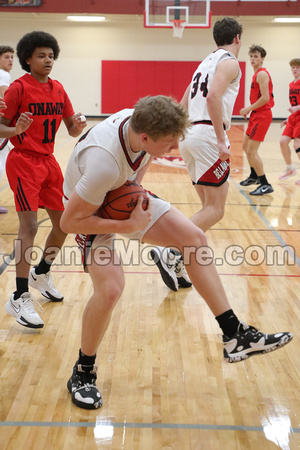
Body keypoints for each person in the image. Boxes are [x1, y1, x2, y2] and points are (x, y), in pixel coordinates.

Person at [60, 94, 292, 410]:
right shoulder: (104, 163)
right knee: (111, 290)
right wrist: (131, 225)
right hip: (87, 212)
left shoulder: (140, 122)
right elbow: (70, 221)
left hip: (119, 192)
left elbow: (141, 160)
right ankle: (82, 372)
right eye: (169, 144)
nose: (173, 150)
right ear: (145, 137)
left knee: (195, 239)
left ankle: (235, 334)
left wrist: (135, 192)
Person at [0, 31, 86, 329]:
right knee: (30, 226)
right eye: (41, 55)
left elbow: (72, 130)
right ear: (28, 59)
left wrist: (78, 126)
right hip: (23, 162)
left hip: (49, 163)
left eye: (51, 55)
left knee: (65, 223)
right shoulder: (17, 89)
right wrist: (15, 129)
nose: (48, 60)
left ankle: (41, 272)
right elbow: (0, 128)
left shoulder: (58, 89)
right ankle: (20, 295)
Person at [150, 17, 242, 291]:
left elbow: (183, 103)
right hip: (207, 138)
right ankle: (173, 252)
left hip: (191, 136)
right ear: (237, 37)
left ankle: (178, 260)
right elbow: (213, 97)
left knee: (207, 208)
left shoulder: (204, 64)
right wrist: (220, 139)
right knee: (216, 210)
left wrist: (176, 137)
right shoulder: (230, 63)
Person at [239, 45, 274, 195]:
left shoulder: (262, 74)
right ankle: (254, 176)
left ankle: (265, 184)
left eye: (256, 56)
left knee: (252, 151)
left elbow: (265, 98)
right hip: (256, 114)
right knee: (246, 147)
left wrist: (248, 108)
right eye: (251, 56)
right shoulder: (256, 74)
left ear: (262, 59)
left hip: (262, 115)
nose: (253, 59)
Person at [278, 58, 300, 185]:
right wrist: (288, 118)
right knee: (283, 142)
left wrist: (297, 108)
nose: (295, 69)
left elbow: (297, 105)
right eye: (293, 67)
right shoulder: (291, 84)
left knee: (297, 144)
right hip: (293, 118)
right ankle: (290, 168)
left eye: (297, 67)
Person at [0, 45, 14, 214]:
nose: (10, 60)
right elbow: (6, 99)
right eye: (6, 57)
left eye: (12, 57)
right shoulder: (3, 75)